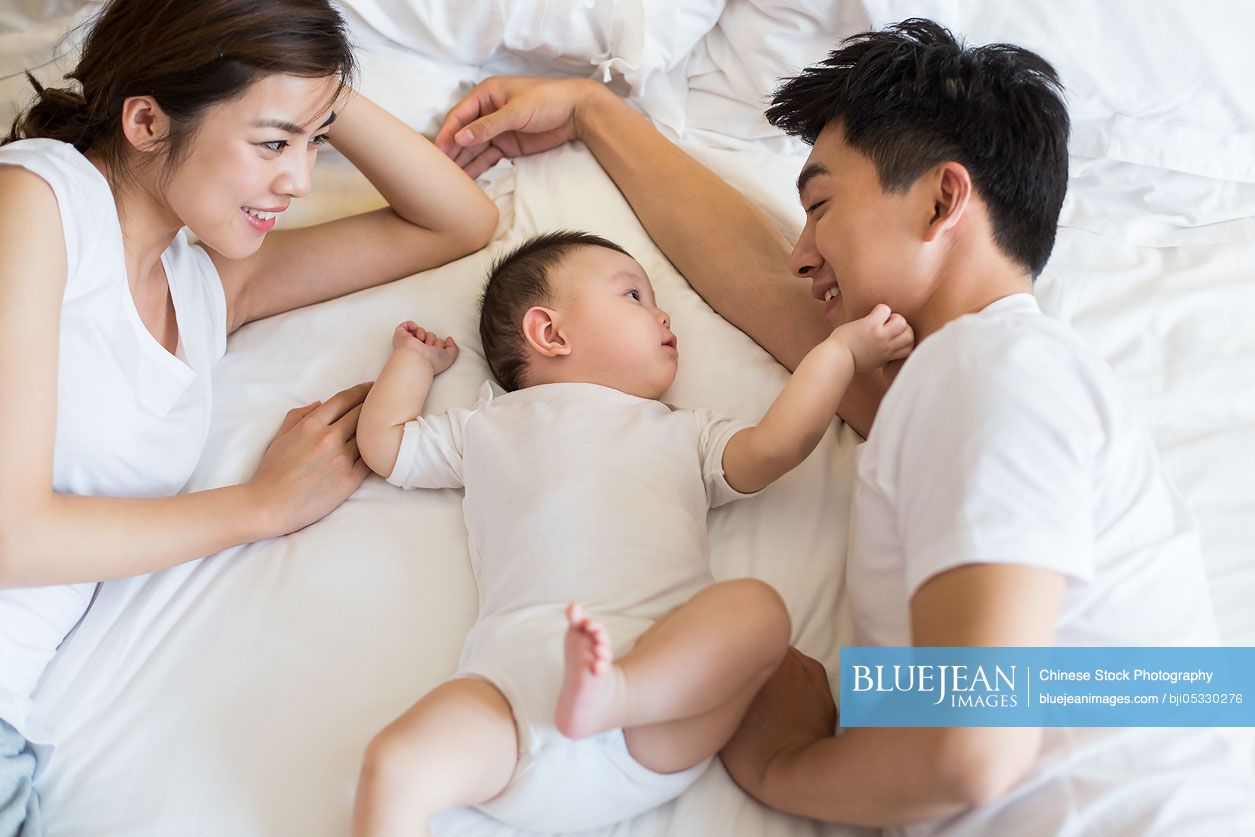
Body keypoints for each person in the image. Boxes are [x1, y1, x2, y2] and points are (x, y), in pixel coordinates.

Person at [431, 18, 1255, 837]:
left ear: (942, 199)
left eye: (821, 204)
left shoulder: (987, 371)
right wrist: (592, 112)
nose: (800, 251)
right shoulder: (988, 381)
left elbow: (970, 752)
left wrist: (788, 761)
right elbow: (1182, 688)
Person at [0, 1, 497, 833]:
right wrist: (261, 507)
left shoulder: (204, 290)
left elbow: (459, 221)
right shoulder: (37, 201)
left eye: (316, 142)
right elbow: (10, 537)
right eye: (272, 144)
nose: (299, 181)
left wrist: (308, 86)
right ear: (148, 119)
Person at [349, 230, 912, 836]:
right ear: (551, 334)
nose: (664, 312)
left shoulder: (684, 434)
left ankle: (617, 690)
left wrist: (840, 355)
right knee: (393, 763)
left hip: (660, 698)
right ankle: (603, 694)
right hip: (515, 694)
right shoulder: (487, 427)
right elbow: (388, 442)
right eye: (634, 295)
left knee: (756, 609)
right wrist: (413, 362)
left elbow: (776, 445)